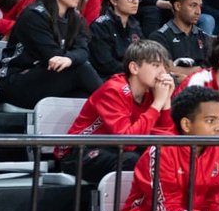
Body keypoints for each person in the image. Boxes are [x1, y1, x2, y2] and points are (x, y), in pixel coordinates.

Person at [56, 40, 174, 184]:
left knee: (165, 155)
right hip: (78, 152)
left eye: (165, 67)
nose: (163, 72)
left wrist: (166, 101)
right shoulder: (113, 90)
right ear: (134, 68)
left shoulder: (152, 93)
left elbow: (167, 138)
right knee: (132, 160)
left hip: (113, 148)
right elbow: (127, 141)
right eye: (156, 65)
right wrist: (157, 104)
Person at [0, 0, 103, 108]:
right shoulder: (34, 15)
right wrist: (72, 59)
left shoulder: (76, 19)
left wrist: (69, 58)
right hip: (16, 81)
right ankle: (122, 112)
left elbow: (83, 51)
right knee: (81, 70)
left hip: (49, 78)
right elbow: (52, 56)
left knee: (86, 96)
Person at [151, 0, 211, 81]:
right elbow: (167, 69)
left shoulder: (204, 37)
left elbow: (212, 70)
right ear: (178, 6)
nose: (198, 11)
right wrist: (200, 70)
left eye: (200, 6)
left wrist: (185, 73)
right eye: (193, 5)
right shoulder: (159, 37)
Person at [89, 0, 144, 78]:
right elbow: (105, 64)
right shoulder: (100, 26)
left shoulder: (135, 26)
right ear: (114, 0)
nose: (135, 1)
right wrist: (136, 70)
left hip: (133, 74)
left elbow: (143, 56)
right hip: (108, 78)